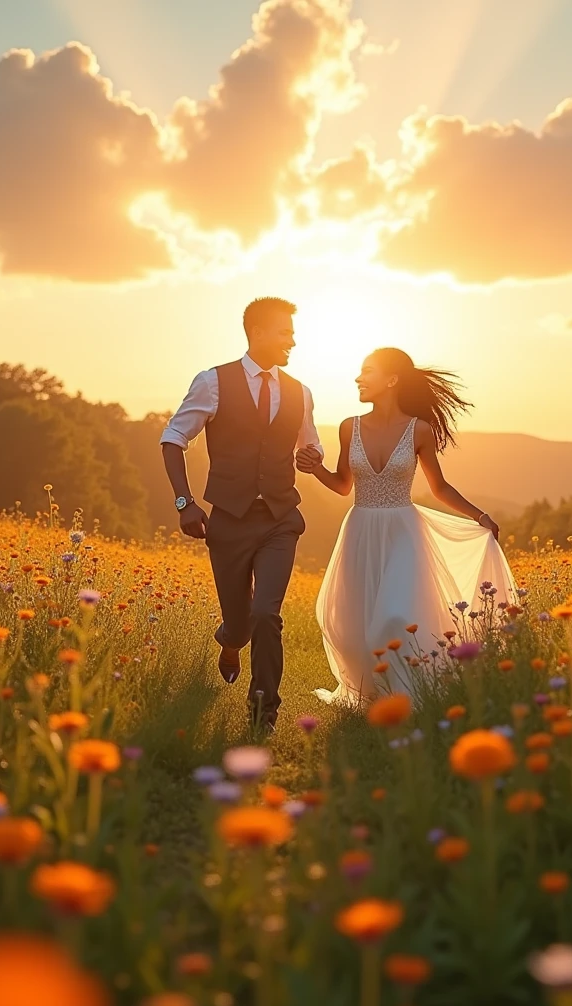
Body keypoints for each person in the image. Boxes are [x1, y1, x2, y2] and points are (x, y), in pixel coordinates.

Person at [296, 347, 517, 705]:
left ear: (392, 380)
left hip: (404, 533)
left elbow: (439, 488)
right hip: (360, 531)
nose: (358, 378)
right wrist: (313, 468)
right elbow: (342, 485)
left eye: (367, 371)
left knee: (394, 616)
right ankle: (372, 693)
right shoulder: (348, 427)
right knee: (350, 627)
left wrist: (479, 516)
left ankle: (410, 699)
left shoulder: (420, 431)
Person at [160, 296, 322, 730]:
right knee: (239, 621)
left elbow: (310, 443)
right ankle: (230, 640)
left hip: (280, 519)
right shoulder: (213, 381)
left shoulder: (300, 392)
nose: (293, 340)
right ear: (258, 333)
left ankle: (263, 712)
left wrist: (311, 457)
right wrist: (185, 501)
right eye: (285, 332)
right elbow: (173, 438)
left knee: (266, 612)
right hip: (228, 521)